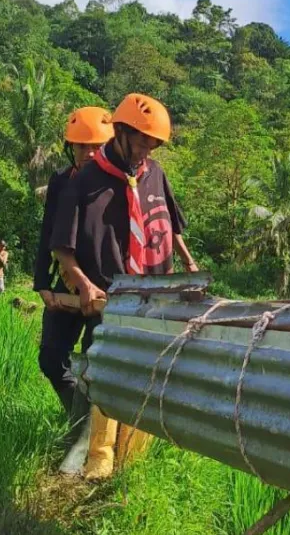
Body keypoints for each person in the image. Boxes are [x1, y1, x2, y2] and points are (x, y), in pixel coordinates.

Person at [51, 93, 199, 479]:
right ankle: (98, 459)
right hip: (107, 297)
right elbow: (61, 247)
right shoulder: (85, 181)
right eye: (141, 141)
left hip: (153, 291)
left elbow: (172, 224)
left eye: (153, 144)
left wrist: (188, 264)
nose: (146, 150)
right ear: (120, 131)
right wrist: (82, 283)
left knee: (147, 369)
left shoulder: (154, 174)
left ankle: (130, 459)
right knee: (108, 371)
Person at [33, 106, 113, 445]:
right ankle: (79, 420)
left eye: (96, 146)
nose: (89, 153)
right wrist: (42, 284)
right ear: (71, 147)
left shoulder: (117, 185)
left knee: (96, 367)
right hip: (65, 285)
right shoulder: (60, 182)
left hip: (104, 291)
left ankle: (92, 442)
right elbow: (48, 232)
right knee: (52, 358)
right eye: (81, 146)